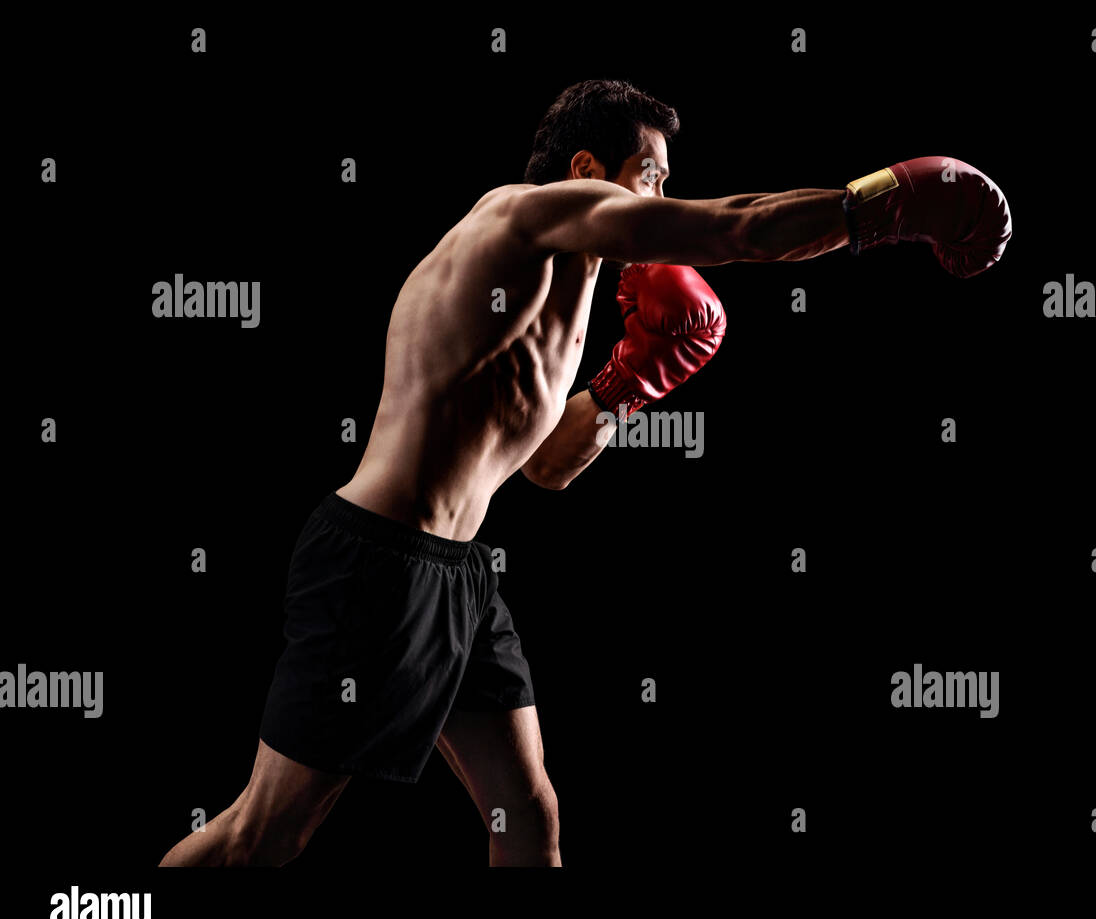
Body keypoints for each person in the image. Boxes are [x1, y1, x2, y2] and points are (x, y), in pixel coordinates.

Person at [159, 78, 1010, 868]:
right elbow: (737, 228)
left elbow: (546, 471)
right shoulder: (523, 218)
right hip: (378, 565)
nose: (663, 201)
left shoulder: (558, 294)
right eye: (651, 176)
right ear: (586, 171)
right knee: (257, 841)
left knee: (527, 815)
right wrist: (887, 203)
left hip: (457, 573)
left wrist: (627, 384)